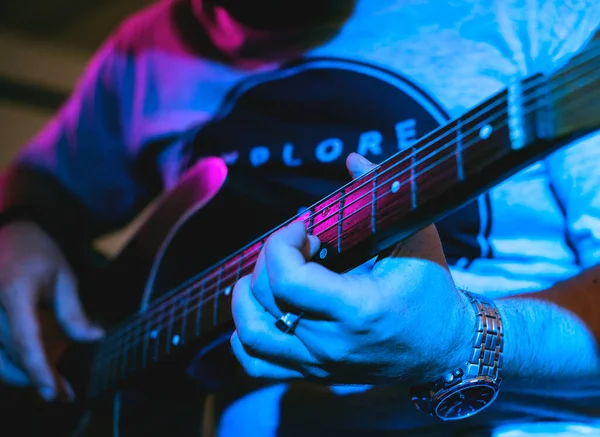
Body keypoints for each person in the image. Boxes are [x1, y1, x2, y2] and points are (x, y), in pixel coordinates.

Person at [0, 0, 599, 435]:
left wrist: (464, 340)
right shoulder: (149, 43)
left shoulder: (550, 13)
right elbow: (42, 182)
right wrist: (20, 227)